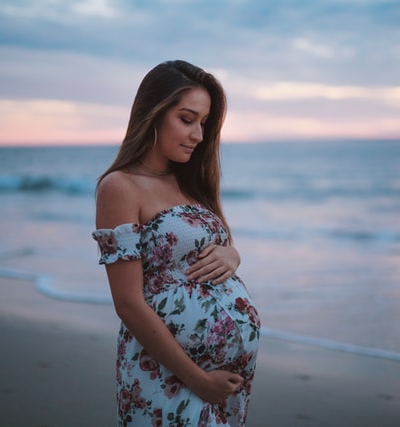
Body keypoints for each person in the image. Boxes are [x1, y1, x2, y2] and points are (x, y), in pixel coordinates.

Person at [92, 60, 260, 426]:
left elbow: (214, 246)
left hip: (223, 381)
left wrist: (232, 254)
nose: (198, 135)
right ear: (153, 113)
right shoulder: (120, 187)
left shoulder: (189, 183)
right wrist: (199, 380)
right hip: (166, 376)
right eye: (187, 119)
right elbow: (127, 303)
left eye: (203, 123)